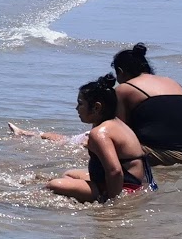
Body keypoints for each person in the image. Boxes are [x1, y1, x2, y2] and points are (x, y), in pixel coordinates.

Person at [46, 74, 156, 202]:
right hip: (138, 183)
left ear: (97, 107)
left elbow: (114, 171)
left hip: (126, 188)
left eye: (80, 104)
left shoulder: (100, 133)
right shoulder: (117, 124)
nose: (76, 108)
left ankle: (98, 195)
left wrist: (112, 201)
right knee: (69, 174)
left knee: (53, 185)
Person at [111, 43, 182, 166]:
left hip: (166, 156)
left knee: (107, 143)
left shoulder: (124, 89)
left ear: (120, 72)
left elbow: (120, 130)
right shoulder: (173, 83)